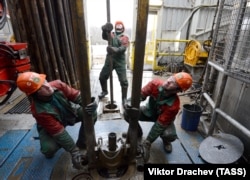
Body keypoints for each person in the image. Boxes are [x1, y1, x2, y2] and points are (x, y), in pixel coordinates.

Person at [16, 71, 97, 170]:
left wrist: (91, 103)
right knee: (48, 150)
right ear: (34, 94)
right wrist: (74, 151)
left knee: (90, 113)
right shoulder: (38, 111)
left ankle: (82, 142)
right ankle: (55, 144)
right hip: (51, 126)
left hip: (69, 113)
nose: (47, 86)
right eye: (41, 88)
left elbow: (77, 96)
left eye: (45, 81)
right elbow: (59, 132)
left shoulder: (58, 85)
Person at [125, 72, 193, 162]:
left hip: (164, 120)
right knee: (127, 113)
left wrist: (147, 142)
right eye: (171, 78)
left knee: (169, 135)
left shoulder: (174, 105)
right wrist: (130, 102)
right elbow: (141, 94)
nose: (169, 81)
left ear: (178, 90)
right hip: (149, 113)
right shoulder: (155, 84)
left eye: (174, 83)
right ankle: (138, 131)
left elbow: (160, 124)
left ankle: (166, 140)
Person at [98, 21, 129, 106]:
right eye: (117, 25)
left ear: (123, 28)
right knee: (102, 77)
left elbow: (123, 48)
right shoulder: (111, 34)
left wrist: (115, 49)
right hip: (110, 59)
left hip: (120, 61)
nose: (119, 26)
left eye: (120, 25)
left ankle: (124, 98)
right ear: (115, 27)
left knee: (124, 81)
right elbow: (105, 37)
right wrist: (104, 30)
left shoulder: (124, 37)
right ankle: (104, 91)